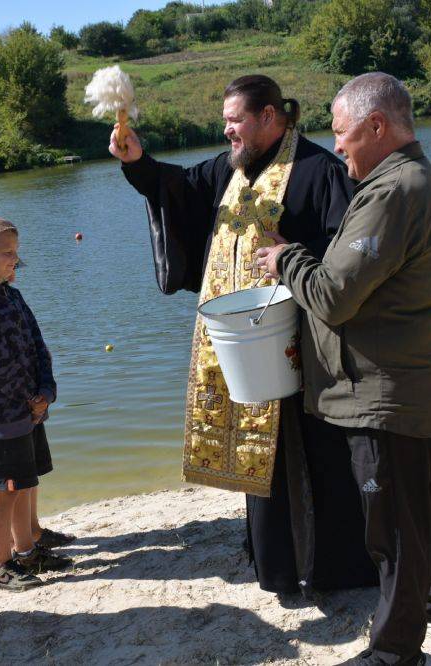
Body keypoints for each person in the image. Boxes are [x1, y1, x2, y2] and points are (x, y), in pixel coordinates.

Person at [112, 74, 376, 595]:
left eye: (236, 120)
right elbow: (178, 192)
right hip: (242, 343)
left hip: (302, 343)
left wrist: (295, 258)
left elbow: (346, 255)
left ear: (271, 118)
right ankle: (274, 562)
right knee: (263, 461)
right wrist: (137, 161)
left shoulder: (319, 170)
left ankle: (336, 567)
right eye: (226, 121)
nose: (228, 130)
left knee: (315, 453)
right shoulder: (228, 170)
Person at [256, 72, 431, 665]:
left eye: (344, 132)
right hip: (403, 383)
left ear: (377, 126)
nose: (338, 145)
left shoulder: (392, 192)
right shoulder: (401, 182)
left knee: (392, 532)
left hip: (386, 392)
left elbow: (333, 296)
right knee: (413, 511)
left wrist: (285, 257)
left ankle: (395, 652)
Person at [0, 216, 73, 590]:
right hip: (1, 413)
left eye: (17, 254)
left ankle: (27, 550)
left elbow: (38, 345)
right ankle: (1, 564)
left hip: (29, 408)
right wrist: (27, 398)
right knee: (6, 488)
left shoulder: (11, 294)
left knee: (25, 480)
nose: (14, 261)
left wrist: (45, 392)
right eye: (7, 253)